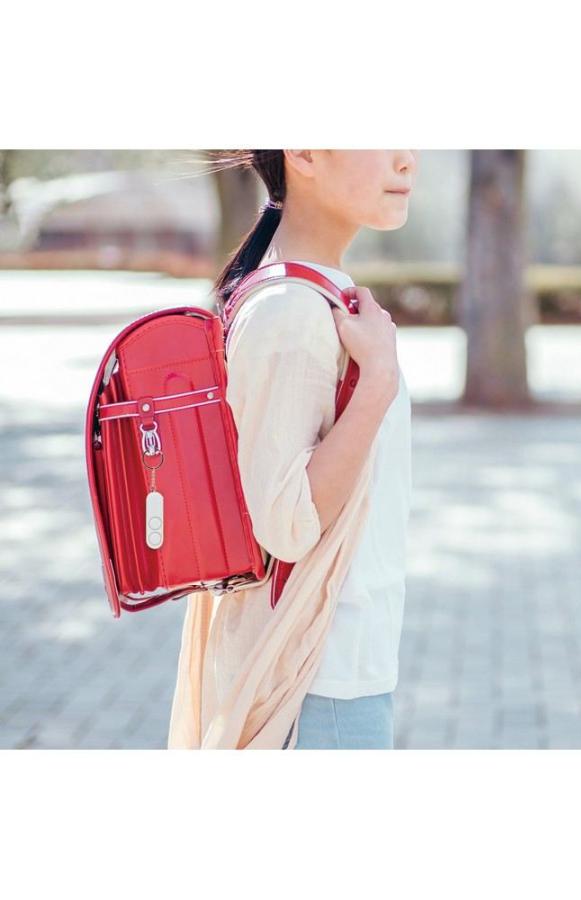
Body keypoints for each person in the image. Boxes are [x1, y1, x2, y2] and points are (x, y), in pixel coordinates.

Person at [167, 150, 416, 749]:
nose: (407, 159)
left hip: (335, 671)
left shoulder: (314, 295)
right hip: (313, 687)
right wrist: (378, 382)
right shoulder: (289, 311)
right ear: (302, 151)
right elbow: (286, 522)